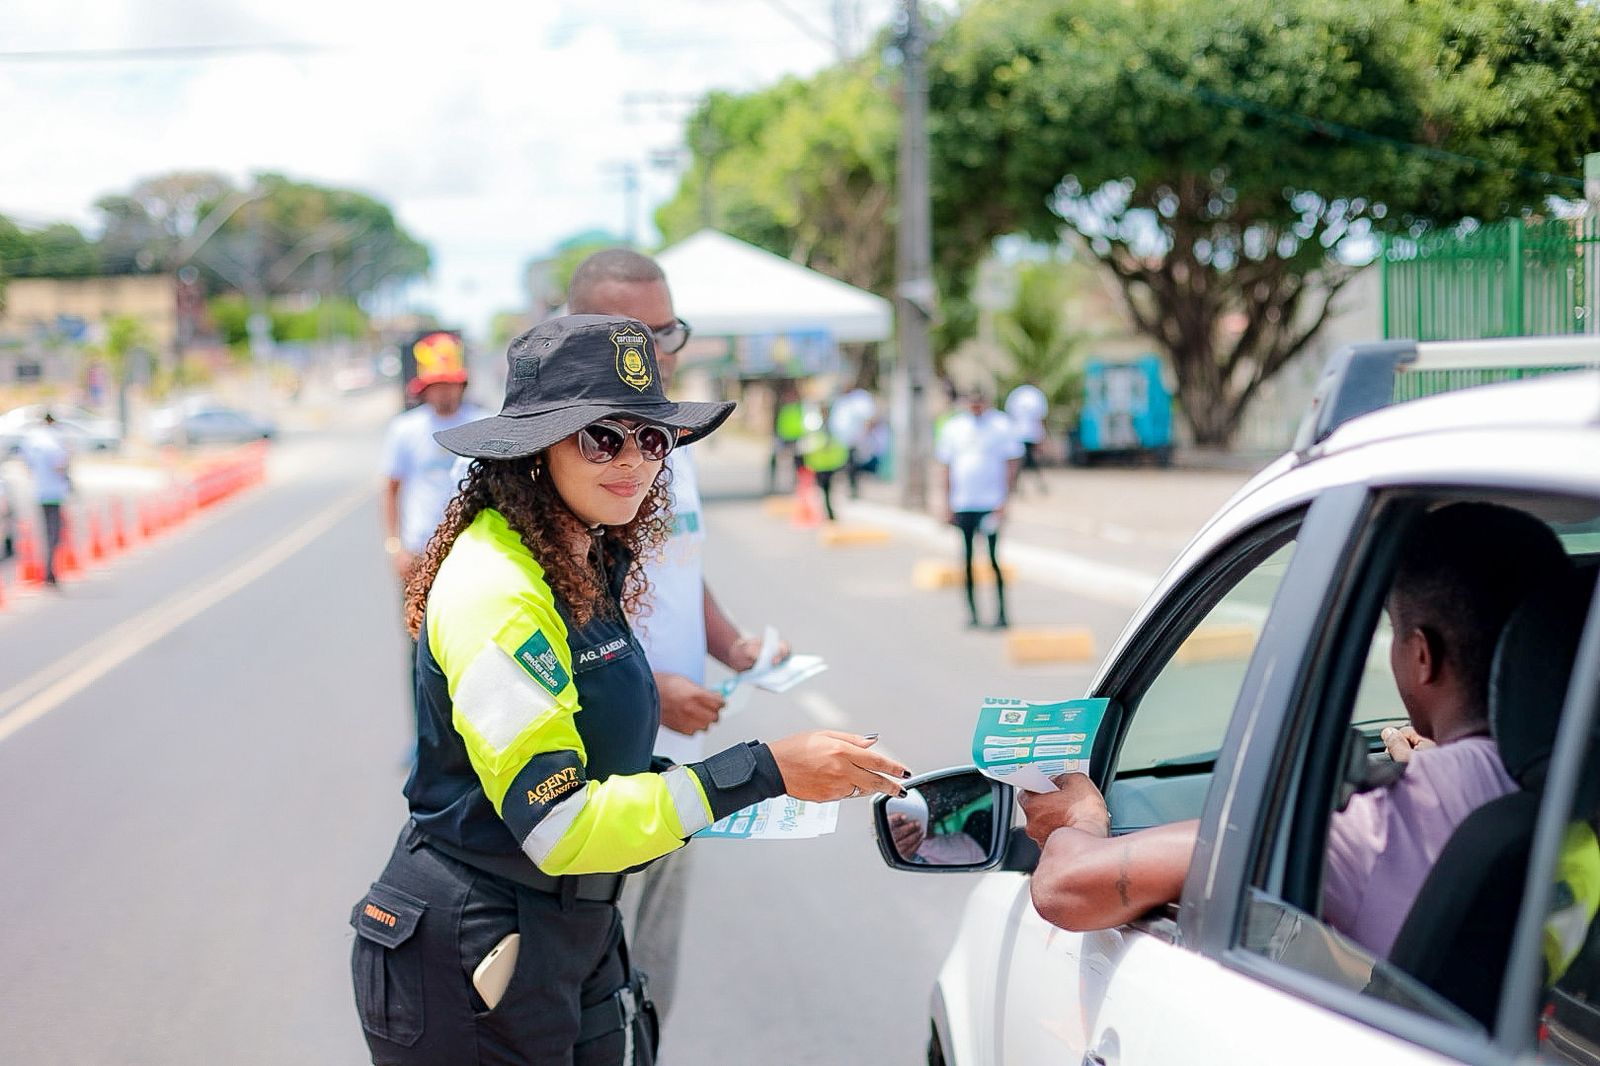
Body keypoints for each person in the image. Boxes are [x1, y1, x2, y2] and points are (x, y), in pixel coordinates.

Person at [348, 315, 910, 1065]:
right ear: (533, 449)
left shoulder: (581, 553)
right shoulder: (499, 590)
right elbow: (560, 827)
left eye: (652, 437)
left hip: (570, 929)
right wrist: (762, 771)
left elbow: (596, 763)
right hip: (481, 946)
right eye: (600, 437)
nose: (634, 461)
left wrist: (738, 787)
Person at [1019, 502, 1570, 960]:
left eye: (1396, 634)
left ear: (1422, 655)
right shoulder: (1561, 778)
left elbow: (1067, 888)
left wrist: (1081, 818)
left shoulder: (1375, 822)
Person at [564, 247, 792, 1024]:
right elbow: (546, 611)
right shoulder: (564, 454)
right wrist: (649, 690)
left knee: (650, 979)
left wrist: (731, 646)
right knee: (596, 982)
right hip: (599, 779)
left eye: (669, 332)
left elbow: (675, 566)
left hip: (674, 766)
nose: (659, 352)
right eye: (638, 334)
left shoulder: (661, 439)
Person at [381, 332, 487, 582]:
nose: (444, 392)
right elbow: (390, 488)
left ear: (461, 384)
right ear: (425, 389)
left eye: (448, 384)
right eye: (437, 385)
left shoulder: (483, 424)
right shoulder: (405, 429)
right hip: (420, 551)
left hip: (473, 548)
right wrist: (395, 546)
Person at [936, 388, 1022, 628]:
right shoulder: (954, 427)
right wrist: (946, 503)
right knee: (967, 559)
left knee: (993, 559)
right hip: (963, 503)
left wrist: (1005, 501)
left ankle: (1002, 613)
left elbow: (1011, 464)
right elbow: (945, 466)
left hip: (990, 503)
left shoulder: (1001, 425)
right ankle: (972, 614)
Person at [18, 412, 72, 587]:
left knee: (46, 532)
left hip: (39, 490)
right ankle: (50, 570)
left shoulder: (33, 440)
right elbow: (60, 465)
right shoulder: (54, 440)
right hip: (54, 492)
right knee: (54, 533)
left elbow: (26, 463)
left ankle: (48, 569)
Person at [828, 386, 877, 498]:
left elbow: (869, 418)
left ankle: (853, 488)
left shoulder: (858, 400)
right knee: (846, 465)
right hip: (843, 441)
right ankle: (850, 487)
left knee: (854, 466)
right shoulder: (842, 403)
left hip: (855, 440)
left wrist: (863, 435)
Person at [1004, 382, 1048, 495]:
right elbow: (1041, 417)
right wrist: (1042, 436)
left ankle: (1016, 485)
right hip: (1031, 433)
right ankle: (1020, 485)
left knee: (1022, 460)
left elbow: (1009, 414)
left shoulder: (1016, 394)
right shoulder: (1037, 395)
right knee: (1028, 460)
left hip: (1017, 432)